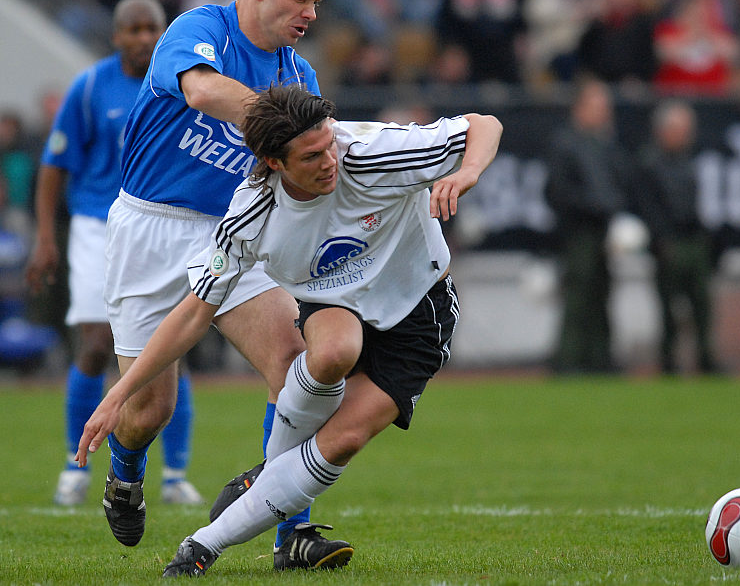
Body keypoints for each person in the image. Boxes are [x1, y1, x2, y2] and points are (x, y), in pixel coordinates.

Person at [76, 84, 502, 575]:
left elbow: (485, 124)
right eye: (312, 156)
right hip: (334, 302)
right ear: (273, 163)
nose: (330, 161)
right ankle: (276, 498)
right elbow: (194, 313)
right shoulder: (253, 212)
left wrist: (468, 172)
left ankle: (202, 545)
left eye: (329, 145)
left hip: (417, 311)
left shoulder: (369, 153)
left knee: (342, 439)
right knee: (333, 350)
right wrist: (117, 394)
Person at [90, 0, 333, 561]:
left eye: (317, 3)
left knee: (295, 364)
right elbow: (201, 93)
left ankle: (291, 534)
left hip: (230, 232)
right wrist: (285, 126)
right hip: (148, 226)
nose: (309, 13)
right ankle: (125, 470)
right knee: (149, 409)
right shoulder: (201, 28)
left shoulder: (298, 76)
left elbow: (310, 167)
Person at [25, 0, 204, 507]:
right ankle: (74, 463)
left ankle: (174, 473)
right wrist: (44, 238)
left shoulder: (181, 82)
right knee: (97, 343)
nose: (145, 37)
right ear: (116, 36)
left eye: (154, 28)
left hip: (164, 224)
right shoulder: (89, 88)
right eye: (134, 29)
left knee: (171, 349)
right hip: (95, 226)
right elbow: (54, 165)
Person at [546, 79, 630, 374]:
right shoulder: (565, 142)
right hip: (577, 233)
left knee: (602, 294)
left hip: (604, 233)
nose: (604, 112)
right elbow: (557, 191)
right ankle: (568, 360)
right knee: (577, 296)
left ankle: (601, 359)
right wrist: (595, 206)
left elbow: (622, 183)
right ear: (580, 108)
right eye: (598, 106)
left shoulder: (607, 145)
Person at [635, 99, 719, 374]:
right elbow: (647, 207)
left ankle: (706, 358)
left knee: (702, 306)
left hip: (693, 241)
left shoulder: (688, 161)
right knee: (668, 309)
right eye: (681, 128)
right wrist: (661, 240)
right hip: (669, 244)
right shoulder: (649, 163)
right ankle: (669, 362)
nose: (686, 134)